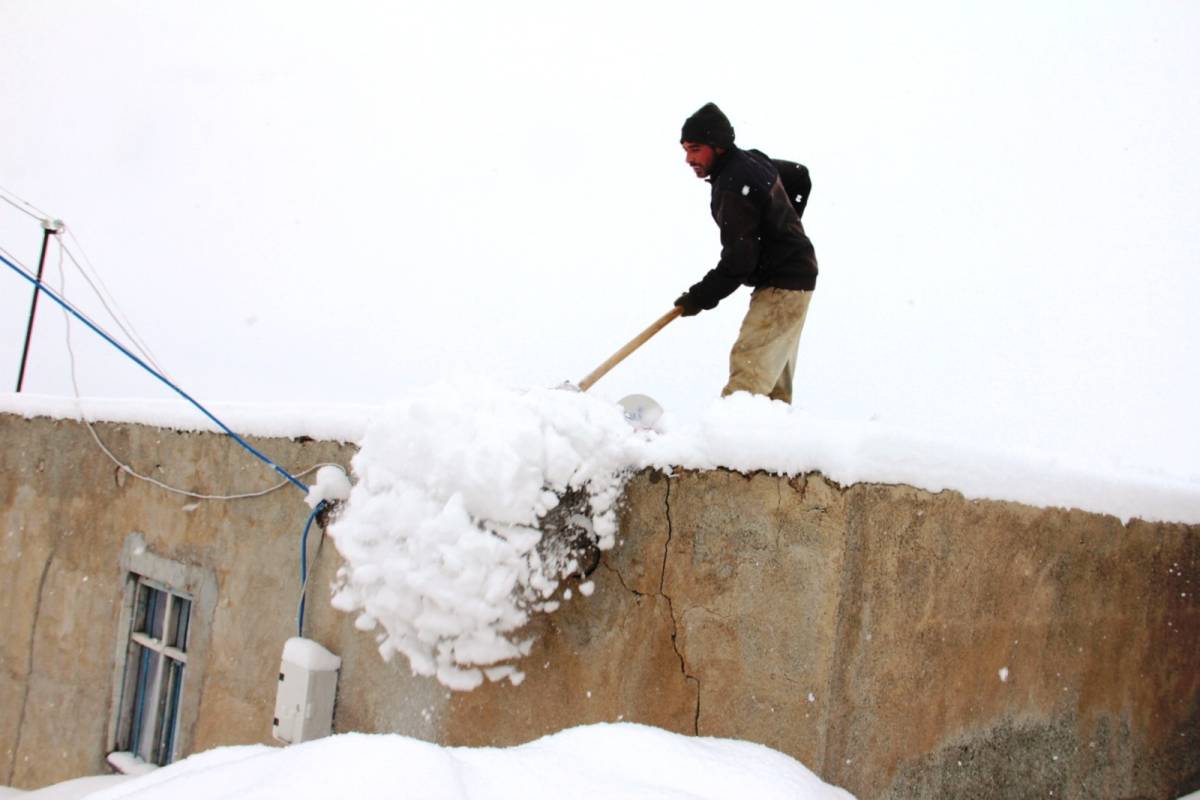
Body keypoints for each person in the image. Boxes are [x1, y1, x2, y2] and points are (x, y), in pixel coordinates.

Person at [674, 102, 818, 404]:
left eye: (696, 149)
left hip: (782, 286)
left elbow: (739, 260)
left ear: (719, 147)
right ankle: (770, 444)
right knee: (772, 389)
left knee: (748, 376)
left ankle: (731, 441)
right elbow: (798, 176)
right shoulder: (752, 161)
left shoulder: (733, 184)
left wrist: (699, 296)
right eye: (685, 149)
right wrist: (783, 230)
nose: (688, 159)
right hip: (794, 279)